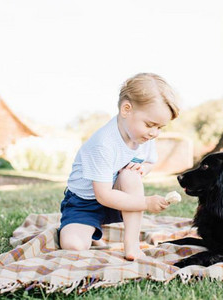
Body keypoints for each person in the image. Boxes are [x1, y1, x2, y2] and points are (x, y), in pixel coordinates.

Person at [58, 73, 179, 260]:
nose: (154, 133)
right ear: (126, 109)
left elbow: (149, 162)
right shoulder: (103, 144)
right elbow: (103, 195)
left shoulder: (144, 136)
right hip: (84, 202)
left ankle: (131, 246)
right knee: (74, 246)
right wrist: (146, 202)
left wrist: (142, 169)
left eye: (160, 128)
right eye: (150, 125)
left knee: (130, 176)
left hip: (119, 197)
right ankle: (87, 230)